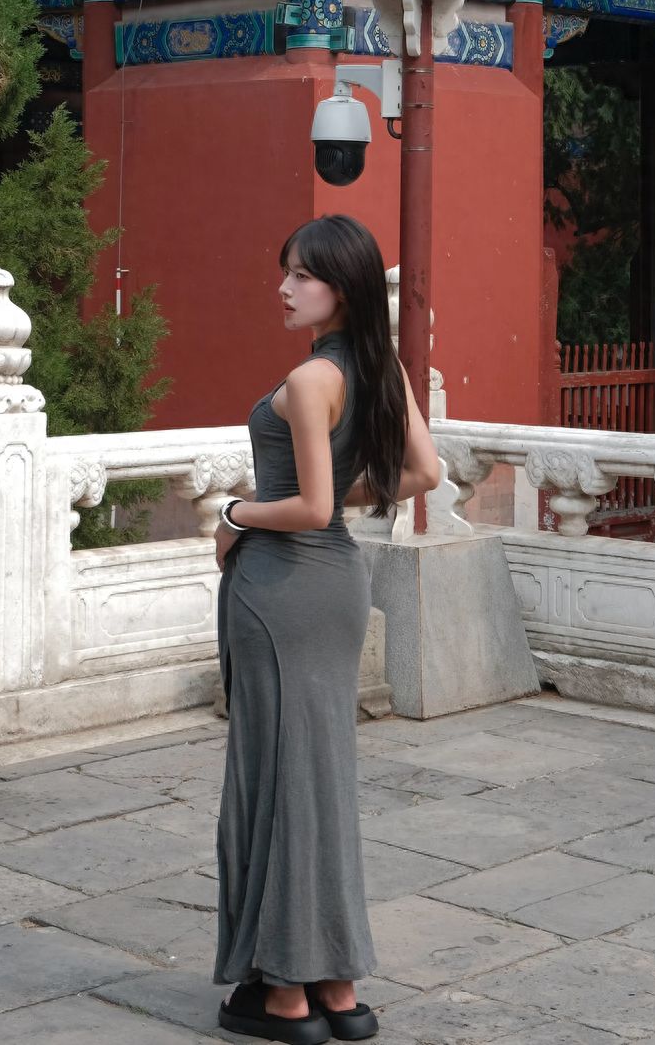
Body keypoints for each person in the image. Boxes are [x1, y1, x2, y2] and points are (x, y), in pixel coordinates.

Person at [212, 213, 441, 1044]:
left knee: (276, 782)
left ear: (339, 287)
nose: (284, 286)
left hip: (282, 587)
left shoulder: (312, 381)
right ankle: (339, 990)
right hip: (338, 582)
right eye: (286, 271)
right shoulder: (384, 369)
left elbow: (306, 508)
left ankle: (282, 996)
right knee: (320, 781)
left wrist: (235, 512)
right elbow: (424, 471)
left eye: (301, 275)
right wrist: (341, 492)